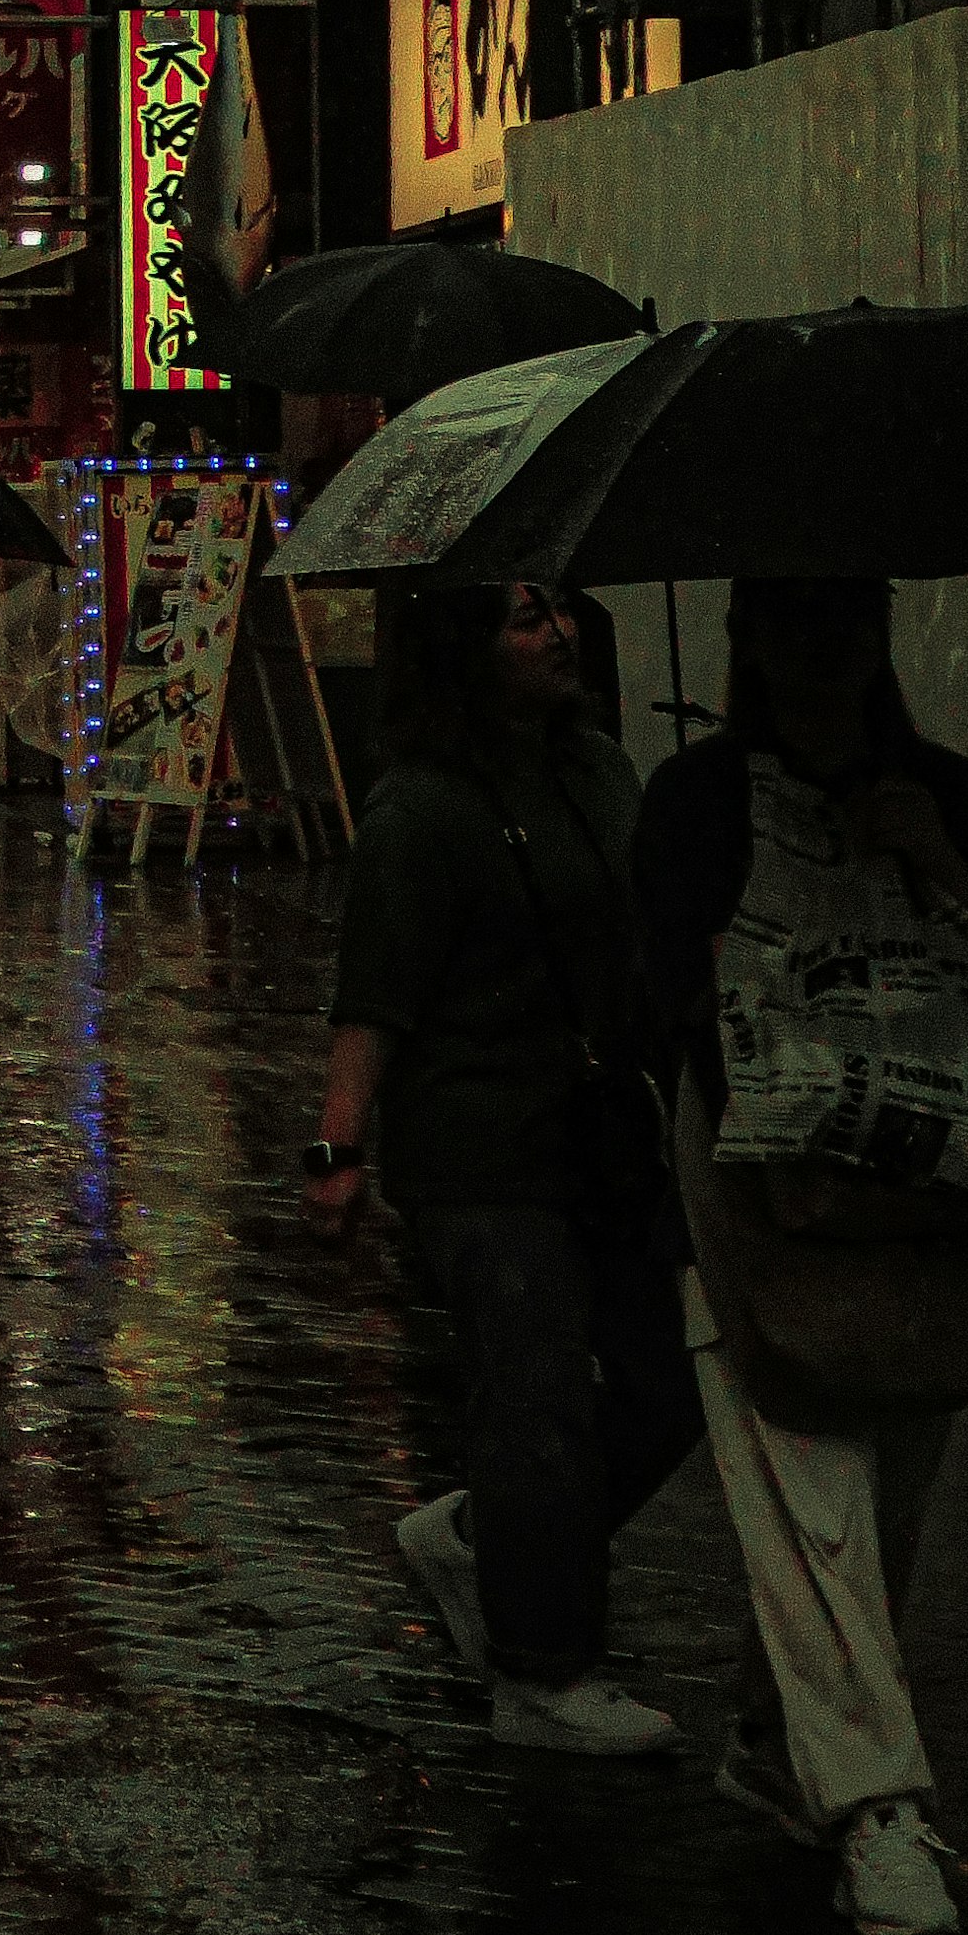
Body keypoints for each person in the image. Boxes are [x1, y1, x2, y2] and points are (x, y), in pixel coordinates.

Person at [633, 576, 968, 1935]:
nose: (827, 656)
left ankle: (774, 1740)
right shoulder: (698, 802)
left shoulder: (948, 792)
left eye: (850, 625)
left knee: (886, 1495)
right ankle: (878, 1806)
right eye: (799, 627)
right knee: (802, 1479)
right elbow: (650, 997)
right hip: (761, 1190)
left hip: (924, 1197)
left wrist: (935, 857)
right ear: (753, 641)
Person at [305, 574, 700, 1753]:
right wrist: (337, 1143)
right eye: (525, 618)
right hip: (482, 1148)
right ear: (466, 651)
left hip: (606, 1134)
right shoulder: (421, 809)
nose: (559, 631)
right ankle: (541, 1668)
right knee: (535, 1403)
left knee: (668, 1383)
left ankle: (485, 1542)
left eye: (557, 610)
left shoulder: (601, 771)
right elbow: (373, 992)